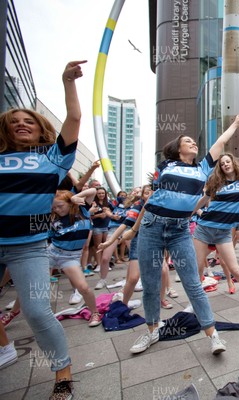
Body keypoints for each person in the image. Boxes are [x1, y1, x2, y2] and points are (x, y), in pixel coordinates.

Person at [123, 114, 239, 355]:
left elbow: (219, 143)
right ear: (177, 148)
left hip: (179, 230)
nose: (193, 143)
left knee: (193, 283)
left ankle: (213, 335)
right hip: (152, 227)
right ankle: (152, 331)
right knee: (150, 284)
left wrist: (234, 124)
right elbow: (152, 201)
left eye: (194, 141)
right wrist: (134, 230)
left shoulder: (202, 167)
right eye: (187, 141)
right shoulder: (166, 166)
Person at [0, 60, 85, 399]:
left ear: (40, 129)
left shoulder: (52, 159)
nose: (22, 124)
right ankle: (5, 348)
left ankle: (62, 374)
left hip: (28, 247)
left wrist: (67, 81)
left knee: (36, 311)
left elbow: (75, 119)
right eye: (14, 122)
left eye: (28, 121)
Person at [192, 151, 239, 311]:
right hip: (204, 228)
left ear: (233, 163)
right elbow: (204, 199)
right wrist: (189, 212)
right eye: (222, 163)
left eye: (227, 162)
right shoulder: (216, 183)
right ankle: (194, 304)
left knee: (235, 269)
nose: (225, 164)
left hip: (223, 232)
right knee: (197, 268)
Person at [49, 190, 103, 327]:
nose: (57, 209)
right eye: (54, 207)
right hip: (51, 252)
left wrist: (76, 197)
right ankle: (14, 311)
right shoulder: (53, 218)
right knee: (36, 285)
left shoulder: (83, 210)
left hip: (70, 257)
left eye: (60, 206)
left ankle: (95, 313)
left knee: (83, 287)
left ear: (70, 203)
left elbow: (93, 191)